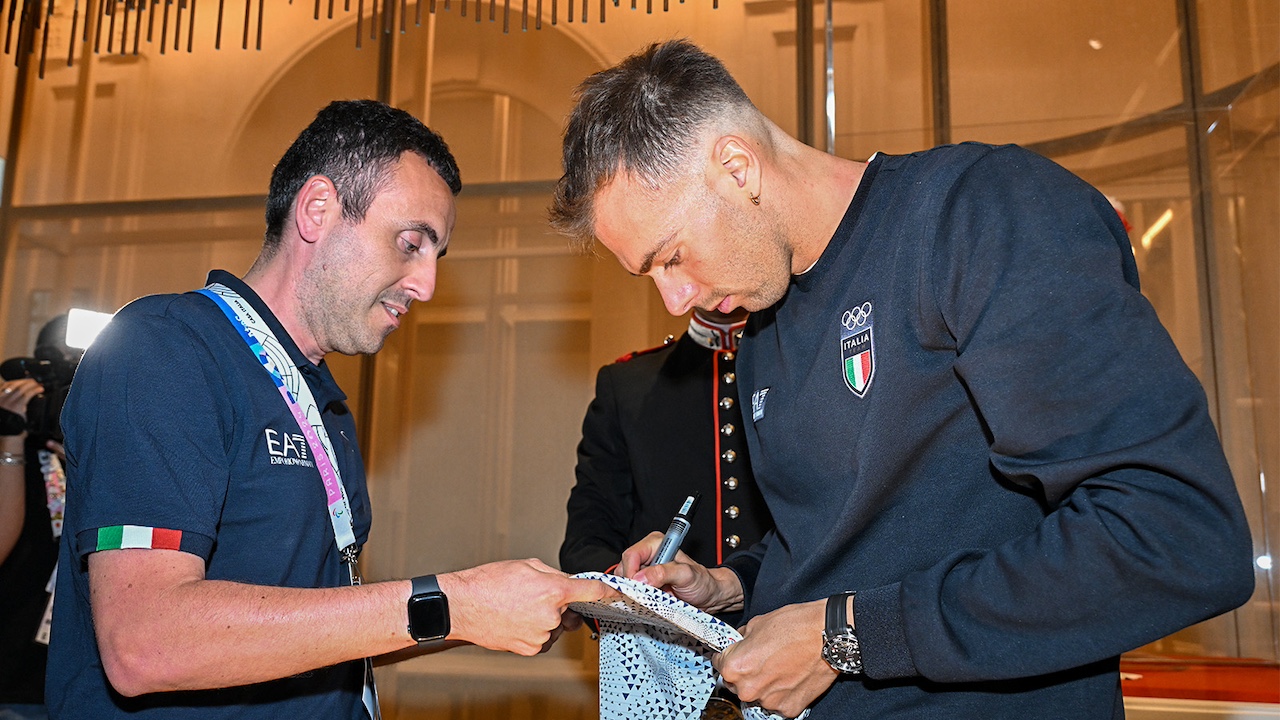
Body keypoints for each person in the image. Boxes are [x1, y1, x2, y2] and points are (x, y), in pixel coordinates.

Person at [549, 40, 1254, 720]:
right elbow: (837, 547)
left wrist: (846, 634)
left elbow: (1173, 537)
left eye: (671, 257)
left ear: (737, 167)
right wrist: (731, 586)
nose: (677, 303)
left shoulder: (977, 215)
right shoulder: (763, 326)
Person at [46, 100, 614, 720]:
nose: (425, 284)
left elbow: (309, 631)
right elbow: (145, 643)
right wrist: (454, 601)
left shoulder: (321, 399)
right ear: (318, 210)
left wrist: (486, 611)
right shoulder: (164, 348)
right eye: (410, 244)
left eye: (434, 256)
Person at [560, 306, 773, 601]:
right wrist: (628, 593)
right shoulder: (627, 385)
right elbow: (588, 536)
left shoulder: (798, 369)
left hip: (786, 626)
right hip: (662, 638)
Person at [0, 316, 76, 720]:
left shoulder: (111, 450)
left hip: (84, 683)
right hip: (15, 679)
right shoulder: (10, 447)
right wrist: (10, 437)